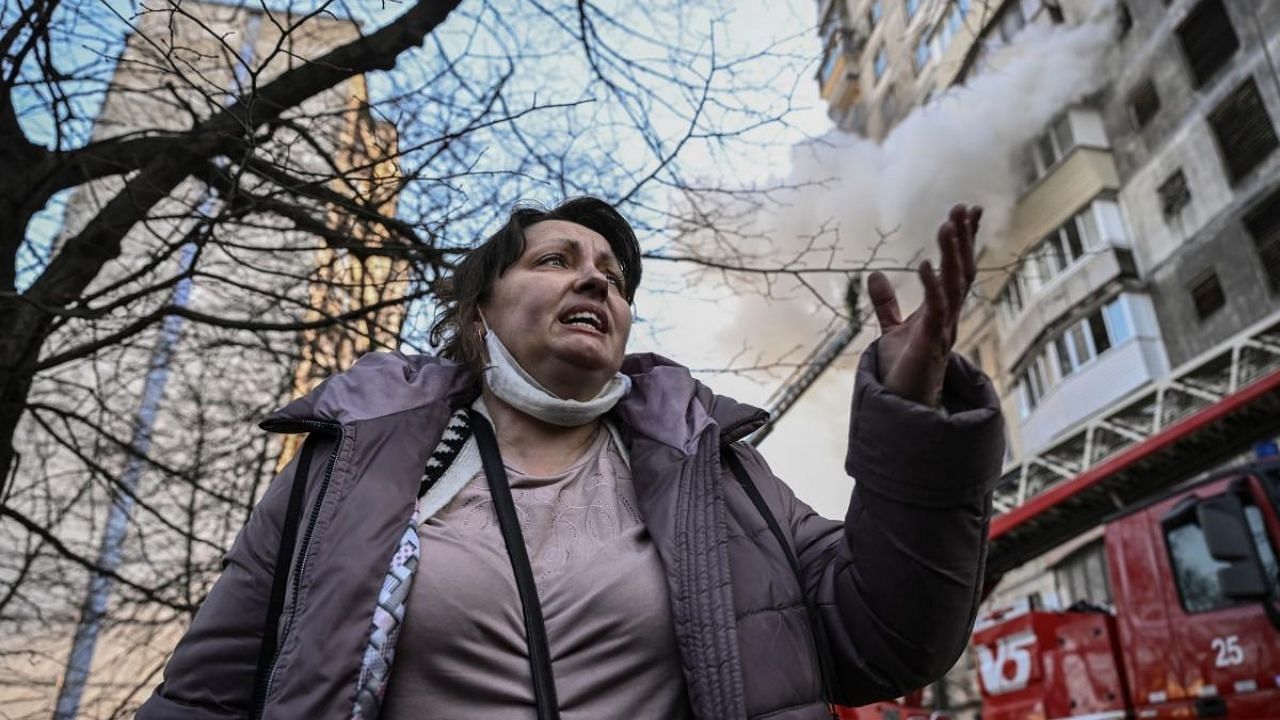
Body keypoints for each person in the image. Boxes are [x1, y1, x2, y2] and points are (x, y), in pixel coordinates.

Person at [137, 196, 1004, 720]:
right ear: (478, 313)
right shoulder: (348, 468)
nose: (597, 281)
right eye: (556, 261)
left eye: (614, 278)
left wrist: (912, 420)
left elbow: (891, 638)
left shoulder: (714, 474)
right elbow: (208, 696)